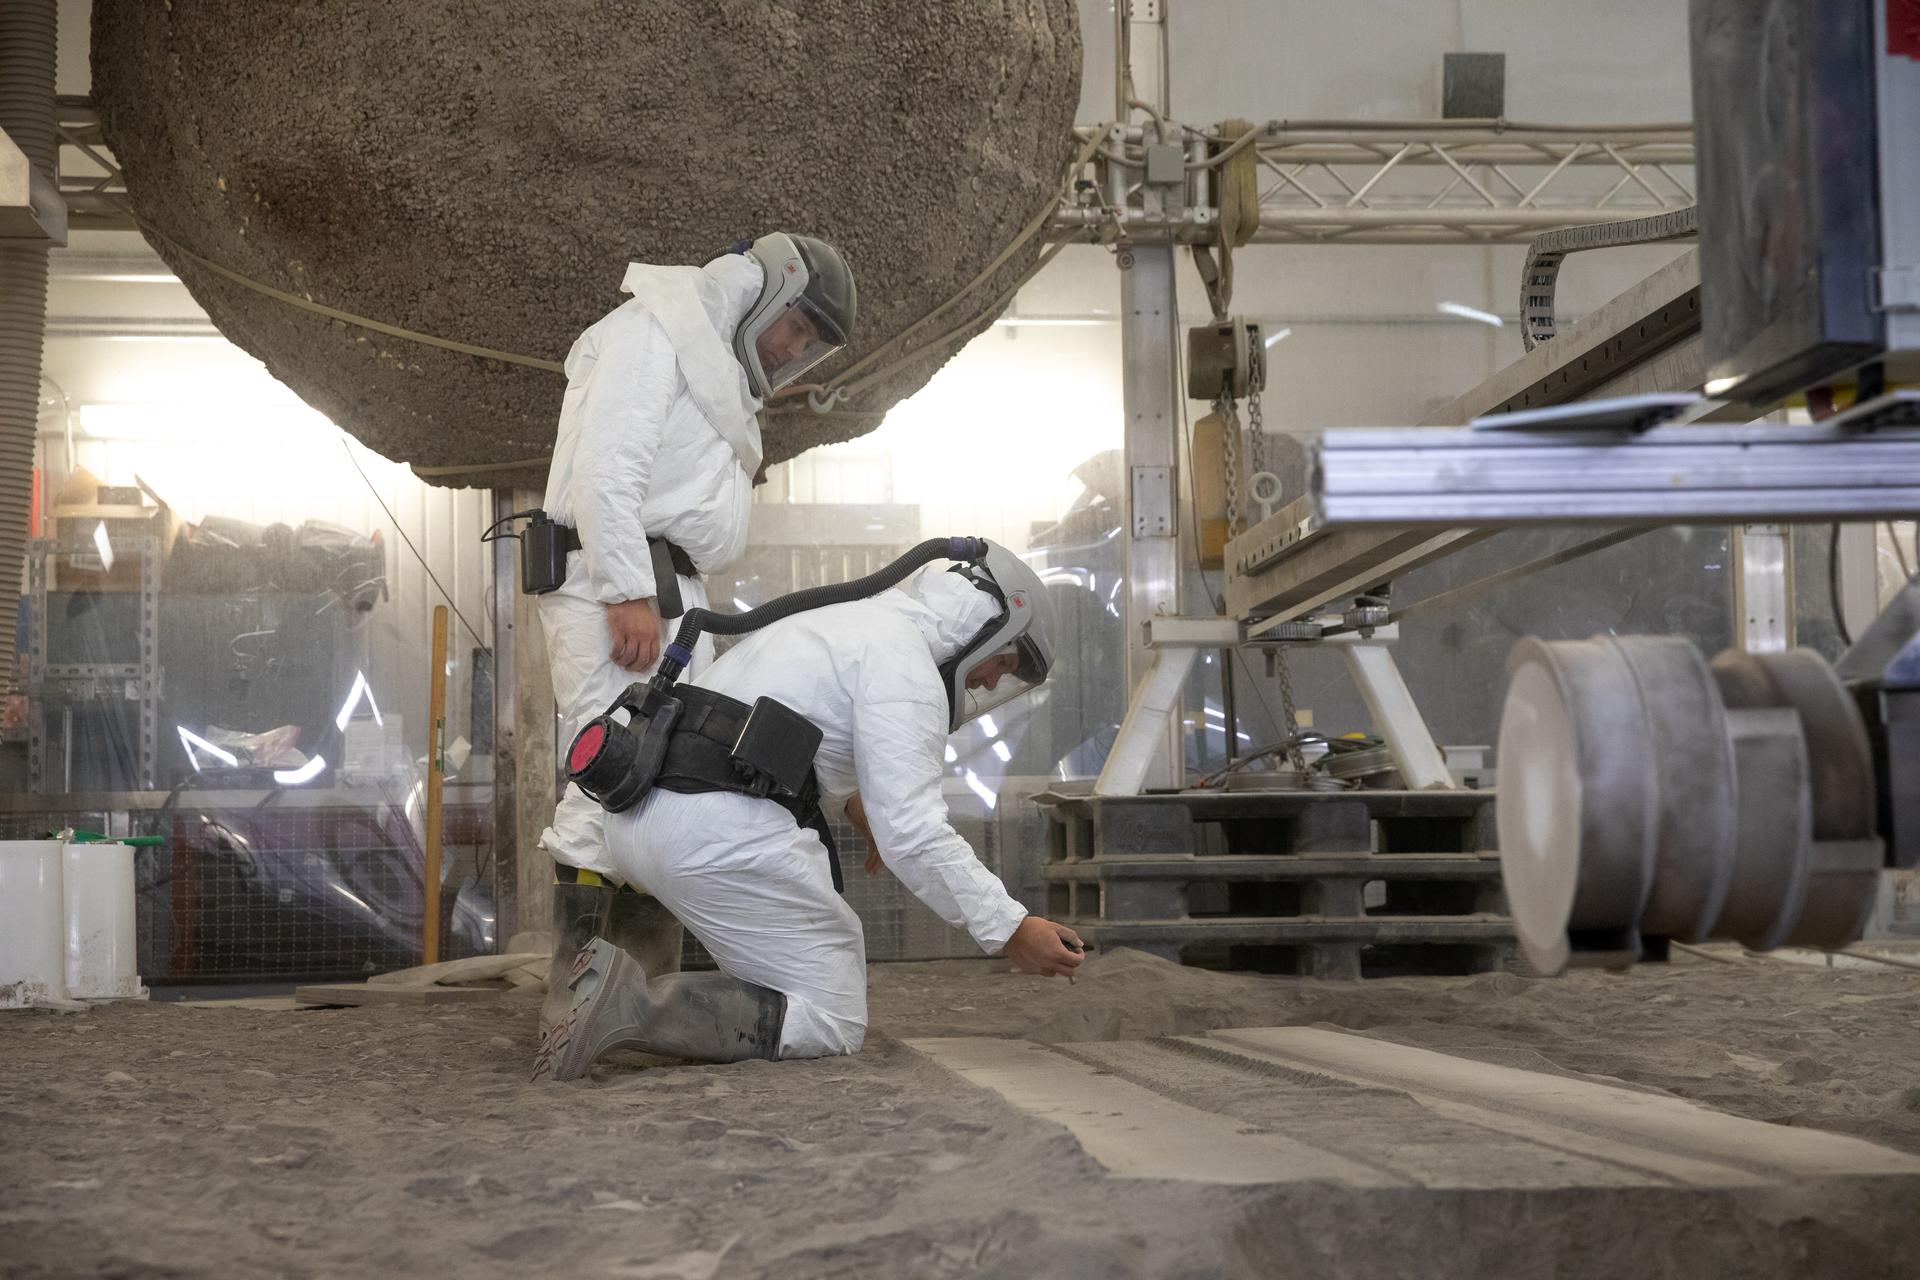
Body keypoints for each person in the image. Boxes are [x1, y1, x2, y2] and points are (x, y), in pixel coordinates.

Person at [532, 545, 1083, 1080]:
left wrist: (859, 808)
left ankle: (612, 996)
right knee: (831, 1016)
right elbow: (914, 833)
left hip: (641, 820)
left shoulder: (848, 624)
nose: (988, 681)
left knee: (776, 987)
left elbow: (801, 734)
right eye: (1000, 662)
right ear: (983, 626)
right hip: (715, 834)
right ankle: (629, 1006)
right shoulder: (906, 664)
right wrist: (1011, 927)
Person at [535, 232, 857, 1034]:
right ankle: (570, 1002)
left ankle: (635, 993)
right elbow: (606, 466)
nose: (794, 350)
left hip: (669, 588)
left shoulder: (713, 369)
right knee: (609, 768)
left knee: (667, 780)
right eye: (798, 329)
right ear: (766, 295)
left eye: (809, 345)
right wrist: (626, 590)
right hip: (620, 583)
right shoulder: (654, 331)